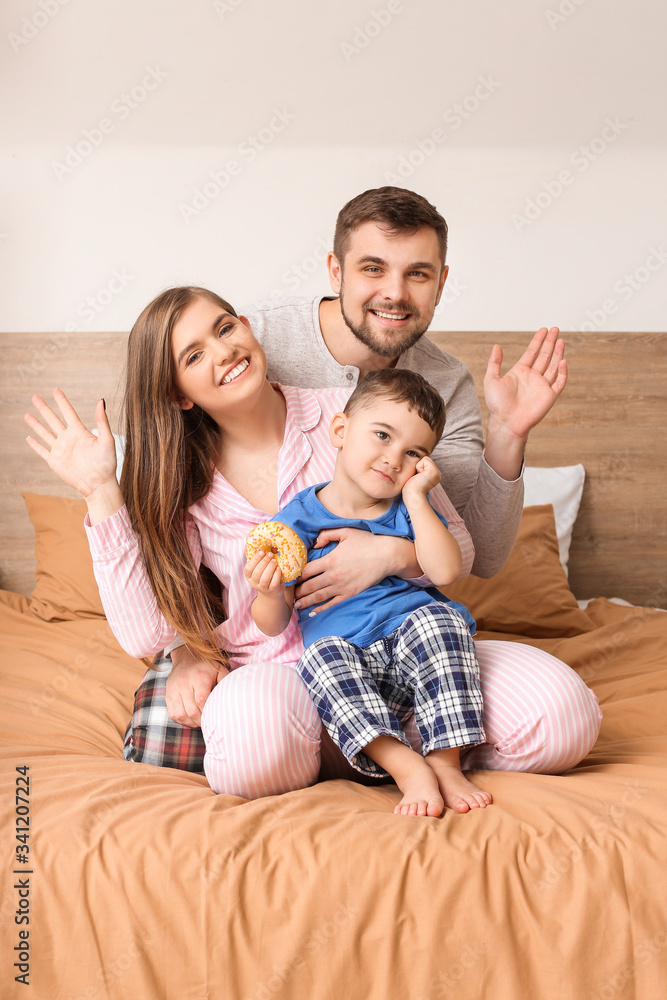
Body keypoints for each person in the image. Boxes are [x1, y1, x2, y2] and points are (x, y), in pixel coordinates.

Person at [24, 286, 601, 800]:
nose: (223, 352)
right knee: (252, 751)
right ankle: (375, 749)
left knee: (565, 719)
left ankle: (414, 744)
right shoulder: (181, 482)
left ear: (247, 326)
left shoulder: (354, 415)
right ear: (178, 396)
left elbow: (460, 553)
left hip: (410, 646)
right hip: (287, 672)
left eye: (225, 328)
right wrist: (101, 489)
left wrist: (390, 555)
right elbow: (148, 632)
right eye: (194, 355)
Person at [165, 186, 572, 738]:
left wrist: (508, 434)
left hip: (410, 625)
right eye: (373, 268)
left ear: (442, 282)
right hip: (290, 646)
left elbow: (481, 554)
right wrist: (184, 649)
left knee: (561, 716)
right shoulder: (252, 345)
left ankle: (424, 735)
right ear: (335, 270)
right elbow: (171, 494)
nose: (395, 293)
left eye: (419, 274)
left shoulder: (445, 384)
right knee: (254, 738)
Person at [245, 369, 492, 818]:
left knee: (442, 619)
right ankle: (405, 766)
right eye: (381, 435)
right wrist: (265, 592)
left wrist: (418, 496)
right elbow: (274, 623)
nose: (393, 459)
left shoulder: (409, 508)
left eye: (412, 452)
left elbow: (447, 570)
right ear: (340, 431)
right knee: (316, 658)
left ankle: (446, 761)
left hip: (416, 649)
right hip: (349, 665)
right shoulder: (295, 521)